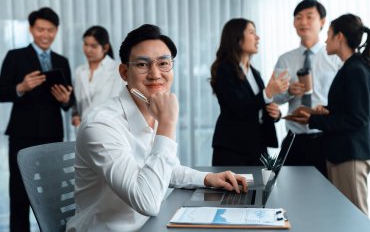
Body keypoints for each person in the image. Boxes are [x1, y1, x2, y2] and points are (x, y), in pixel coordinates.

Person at [65, 24, 248, 232]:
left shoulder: (152, 110)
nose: (155, 74)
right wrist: (167, 124)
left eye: (163, 63)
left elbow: (164, 168)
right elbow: (147, 202)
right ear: (124, 72)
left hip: (151, 226)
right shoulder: (101, 124)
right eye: (142, 65)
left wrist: (206, 178)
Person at [291, 14, 370, 215]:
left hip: (350, 155)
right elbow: (349, 111)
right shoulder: (348, 68)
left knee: (355, 219)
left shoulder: (355, 69)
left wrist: (314, 119)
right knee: (344, 218)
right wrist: (328, 111)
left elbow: (358, 118)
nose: (325, 39)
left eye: (329, 34)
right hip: (342, 154)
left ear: (340, 37)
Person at [0, 7, 74, 232]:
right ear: (31, 29)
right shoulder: (15, 56)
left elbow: (70, 102)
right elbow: (2, 92)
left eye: (51, 30)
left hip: (52, 134)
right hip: (22, 133)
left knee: (55, 193)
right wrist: (21, 87)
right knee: (20, 192)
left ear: (56, 31)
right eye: (41, 29)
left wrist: (65, 100)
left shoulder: (62, 60)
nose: (45, 35)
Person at [273, 0, 341, 177]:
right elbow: (274, 98)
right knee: (289, 194)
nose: (303, 22)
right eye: (298, 17)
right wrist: (288, 92)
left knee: (328, 196)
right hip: (294, 139)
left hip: (326, 138)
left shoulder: (335, 58)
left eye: (309, 17)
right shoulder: (285, 59)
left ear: (323, 22)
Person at [209, 18, 289, 166]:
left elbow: (258, 106)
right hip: (233, 148)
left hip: (257, 146)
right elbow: (238, 107)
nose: (257, 37)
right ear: (237, 38)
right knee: (232, 189)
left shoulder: (255, 73)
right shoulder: (224, 69)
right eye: (252, 32)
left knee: (259, 189)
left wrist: (275, 113)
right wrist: (267, 93)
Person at [71, 26, 124, 126]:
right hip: (84, 127)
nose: (88, 50)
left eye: (93, 46)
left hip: (110, 126)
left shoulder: (117, 69)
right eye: (86, 45)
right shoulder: (79, 71)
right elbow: (76, 102)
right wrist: (75, 115)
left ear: (105, 48)